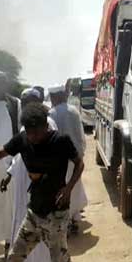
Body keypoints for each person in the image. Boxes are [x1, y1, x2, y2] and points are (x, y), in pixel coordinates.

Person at [0, 103, 82, 262]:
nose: (32, 137)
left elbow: (79, 163)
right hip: (34, 213)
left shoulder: (60, 141)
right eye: (29, 132)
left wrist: (68, 189)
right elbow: (1, 153)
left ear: (46, 126)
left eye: (36, 132)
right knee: (14, 256)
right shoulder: (23, 139)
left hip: (56, 216)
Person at [0, 88, 54, 262]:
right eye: (24, 101)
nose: (26, 104)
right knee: (21, 227)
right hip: (23, 186)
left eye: (29, 101)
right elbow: (18, 156)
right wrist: (8, 175)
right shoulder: (25, 128)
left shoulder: (49, 124)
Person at [48, 85, 88, 234]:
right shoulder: (74, 110)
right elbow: (81, 135)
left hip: (61, 161)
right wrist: (81, 153)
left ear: (54, 97)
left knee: (63, 189)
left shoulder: (51, 114)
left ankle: (67, 222)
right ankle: (74, 219)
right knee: (75, 188)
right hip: (76, 157)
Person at [0, 71, 19, 261]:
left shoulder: (14, 104)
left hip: (10, 165)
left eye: (1, 82)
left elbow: (19, 132)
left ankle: (8, 248)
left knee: (10, 209)